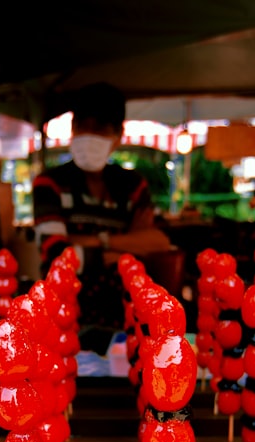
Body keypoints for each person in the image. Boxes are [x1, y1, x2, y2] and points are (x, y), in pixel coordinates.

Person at [32, 82, 173, 343]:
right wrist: (125, 247)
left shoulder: (133, 185)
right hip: (63, 320)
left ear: (118, 135)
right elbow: (55, 255)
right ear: (72, 130)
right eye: (82, 126)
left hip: (125, 318)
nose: (89, 135)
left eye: (100, 129)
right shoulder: (50, 183)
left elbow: (155, 244)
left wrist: (88, 242)